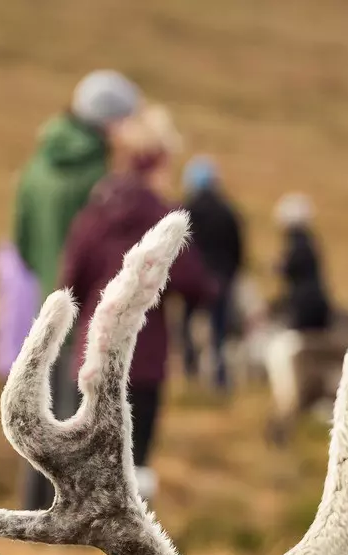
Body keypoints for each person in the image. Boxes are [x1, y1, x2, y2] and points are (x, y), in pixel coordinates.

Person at [55, 105, 214, 507]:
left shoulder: (96, 211)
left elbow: (69, 281)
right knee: (134, 466)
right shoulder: (164, 220)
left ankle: (74, 546)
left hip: (92, 354)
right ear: (159, 158)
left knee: (85, 456)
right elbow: (196, 284)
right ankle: (122, 553)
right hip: (142, 359)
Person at [11, 69, 142, 427]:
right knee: (77, 433)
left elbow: (21, 245)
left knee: (42, 430)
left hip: (48, 314)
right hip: (89, 323)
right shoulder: (103, 176)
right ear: (111, 122)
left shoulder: (37, 165)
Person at [178, 154, 243, 392]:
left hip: (194, 280)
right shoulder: (228, 211)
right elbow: (237, 248)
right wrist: (232, 274)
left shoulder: (186, 210)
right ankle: (220, 377)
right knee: (219, 329)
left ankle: (189, 370)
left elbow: (179, 247)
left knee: (187, 324)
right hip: (222, 279)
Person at [273, 192, 332, 333]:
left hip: (303, 305)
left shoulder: (297, 243)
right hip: (316, 302)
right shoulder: (309, 241)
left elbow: (289, 267)